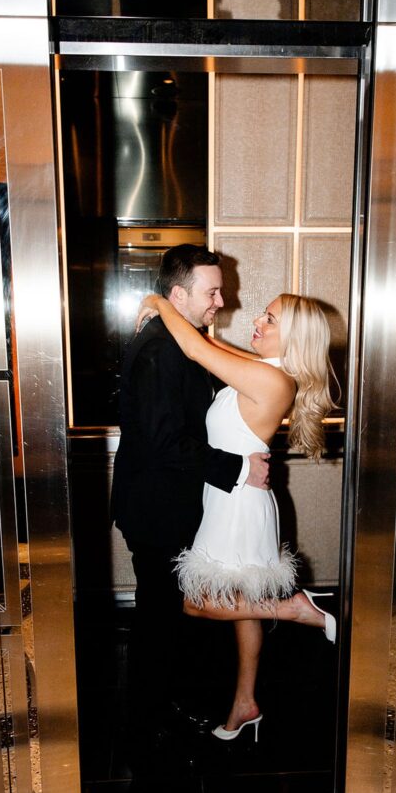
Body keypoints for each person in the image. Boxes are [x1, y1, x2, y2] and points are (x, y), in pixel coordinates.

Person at [135, 289, 336, 743]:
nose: (258, 323)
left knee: (195, 602)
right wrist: (197, 325)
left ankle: (295, 609)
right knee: (242, 605)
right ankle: (245, 703)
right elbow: (215, 347)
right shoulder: (264, 371)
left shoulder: (273, 381)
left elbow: (196, 349)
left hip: (238, 507)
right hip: (232, 496)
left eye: (270, 319)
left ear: (296, 338)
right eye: (263, 315)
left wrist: (158, 301)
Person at [111, 244, 271, 742]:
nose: (220, 302)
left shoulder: (174, 337)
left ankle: (156, 708)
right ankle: (147, 722)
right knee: (158, 617)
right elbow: (166, 442)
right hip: (157, 509)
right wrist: (238, 469)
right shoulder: (162, 349)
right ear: (178, 294)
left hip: (161, 503)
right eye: (212, 291)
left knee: (163, 613)